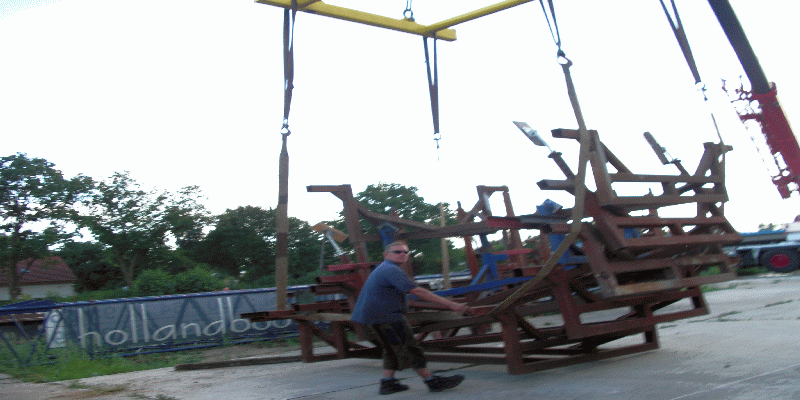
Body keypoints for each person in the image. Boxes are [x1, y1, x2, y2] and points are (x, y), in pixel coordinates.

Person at [350, 241, 472, 395]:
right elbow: (417, 291)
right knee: (410, 347)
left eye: (405, 252)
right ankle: (432, 381)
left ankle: (387, 383)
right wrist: (452, 305)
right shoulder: (391, 269)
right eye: (397, 252)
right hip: (387, 316)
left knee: (390, 348)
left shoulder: (384, 268)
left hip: (374, 316)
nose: (402, 254)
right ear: (386, 255)